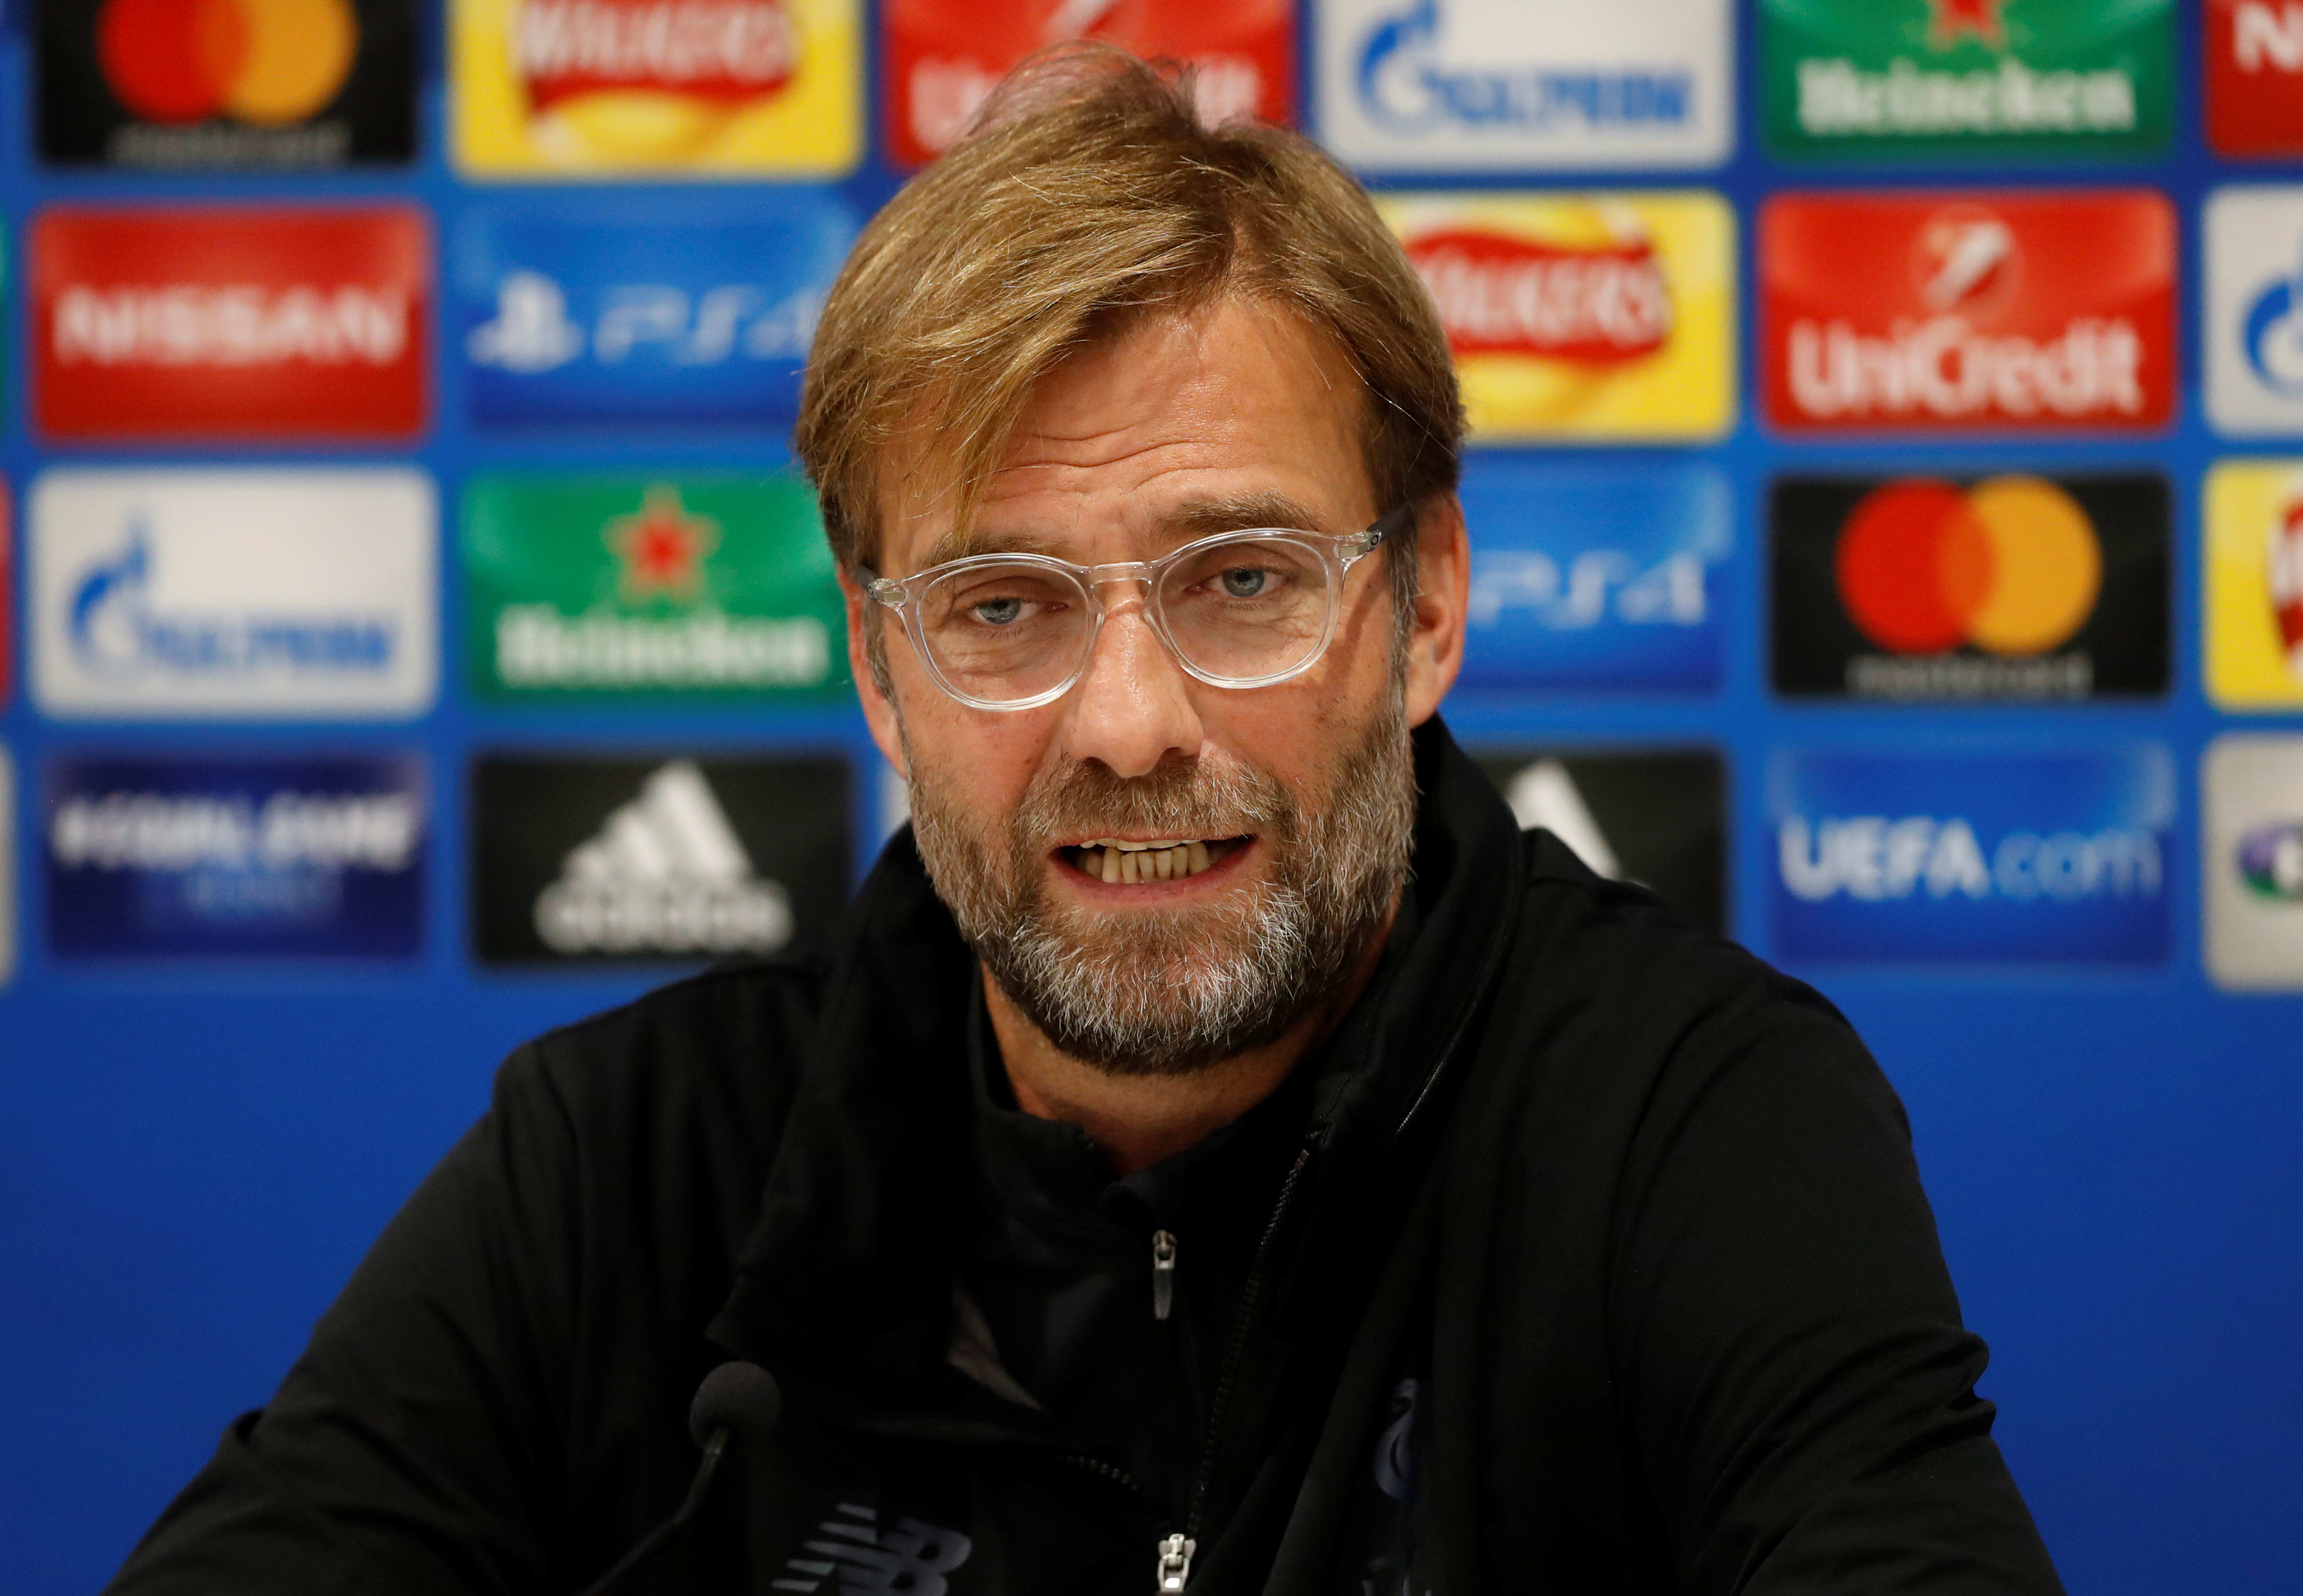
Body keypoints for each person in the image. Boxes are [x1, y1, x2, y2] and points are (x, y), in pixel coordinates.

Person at [105, 49, 2065, 1596]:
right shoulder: (633, 1161)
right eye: (1003, 607)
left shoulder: (1685, 1120)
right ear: (879, 671)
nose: (1128, 724)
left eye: (1241, 578)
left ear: (1426, 606)